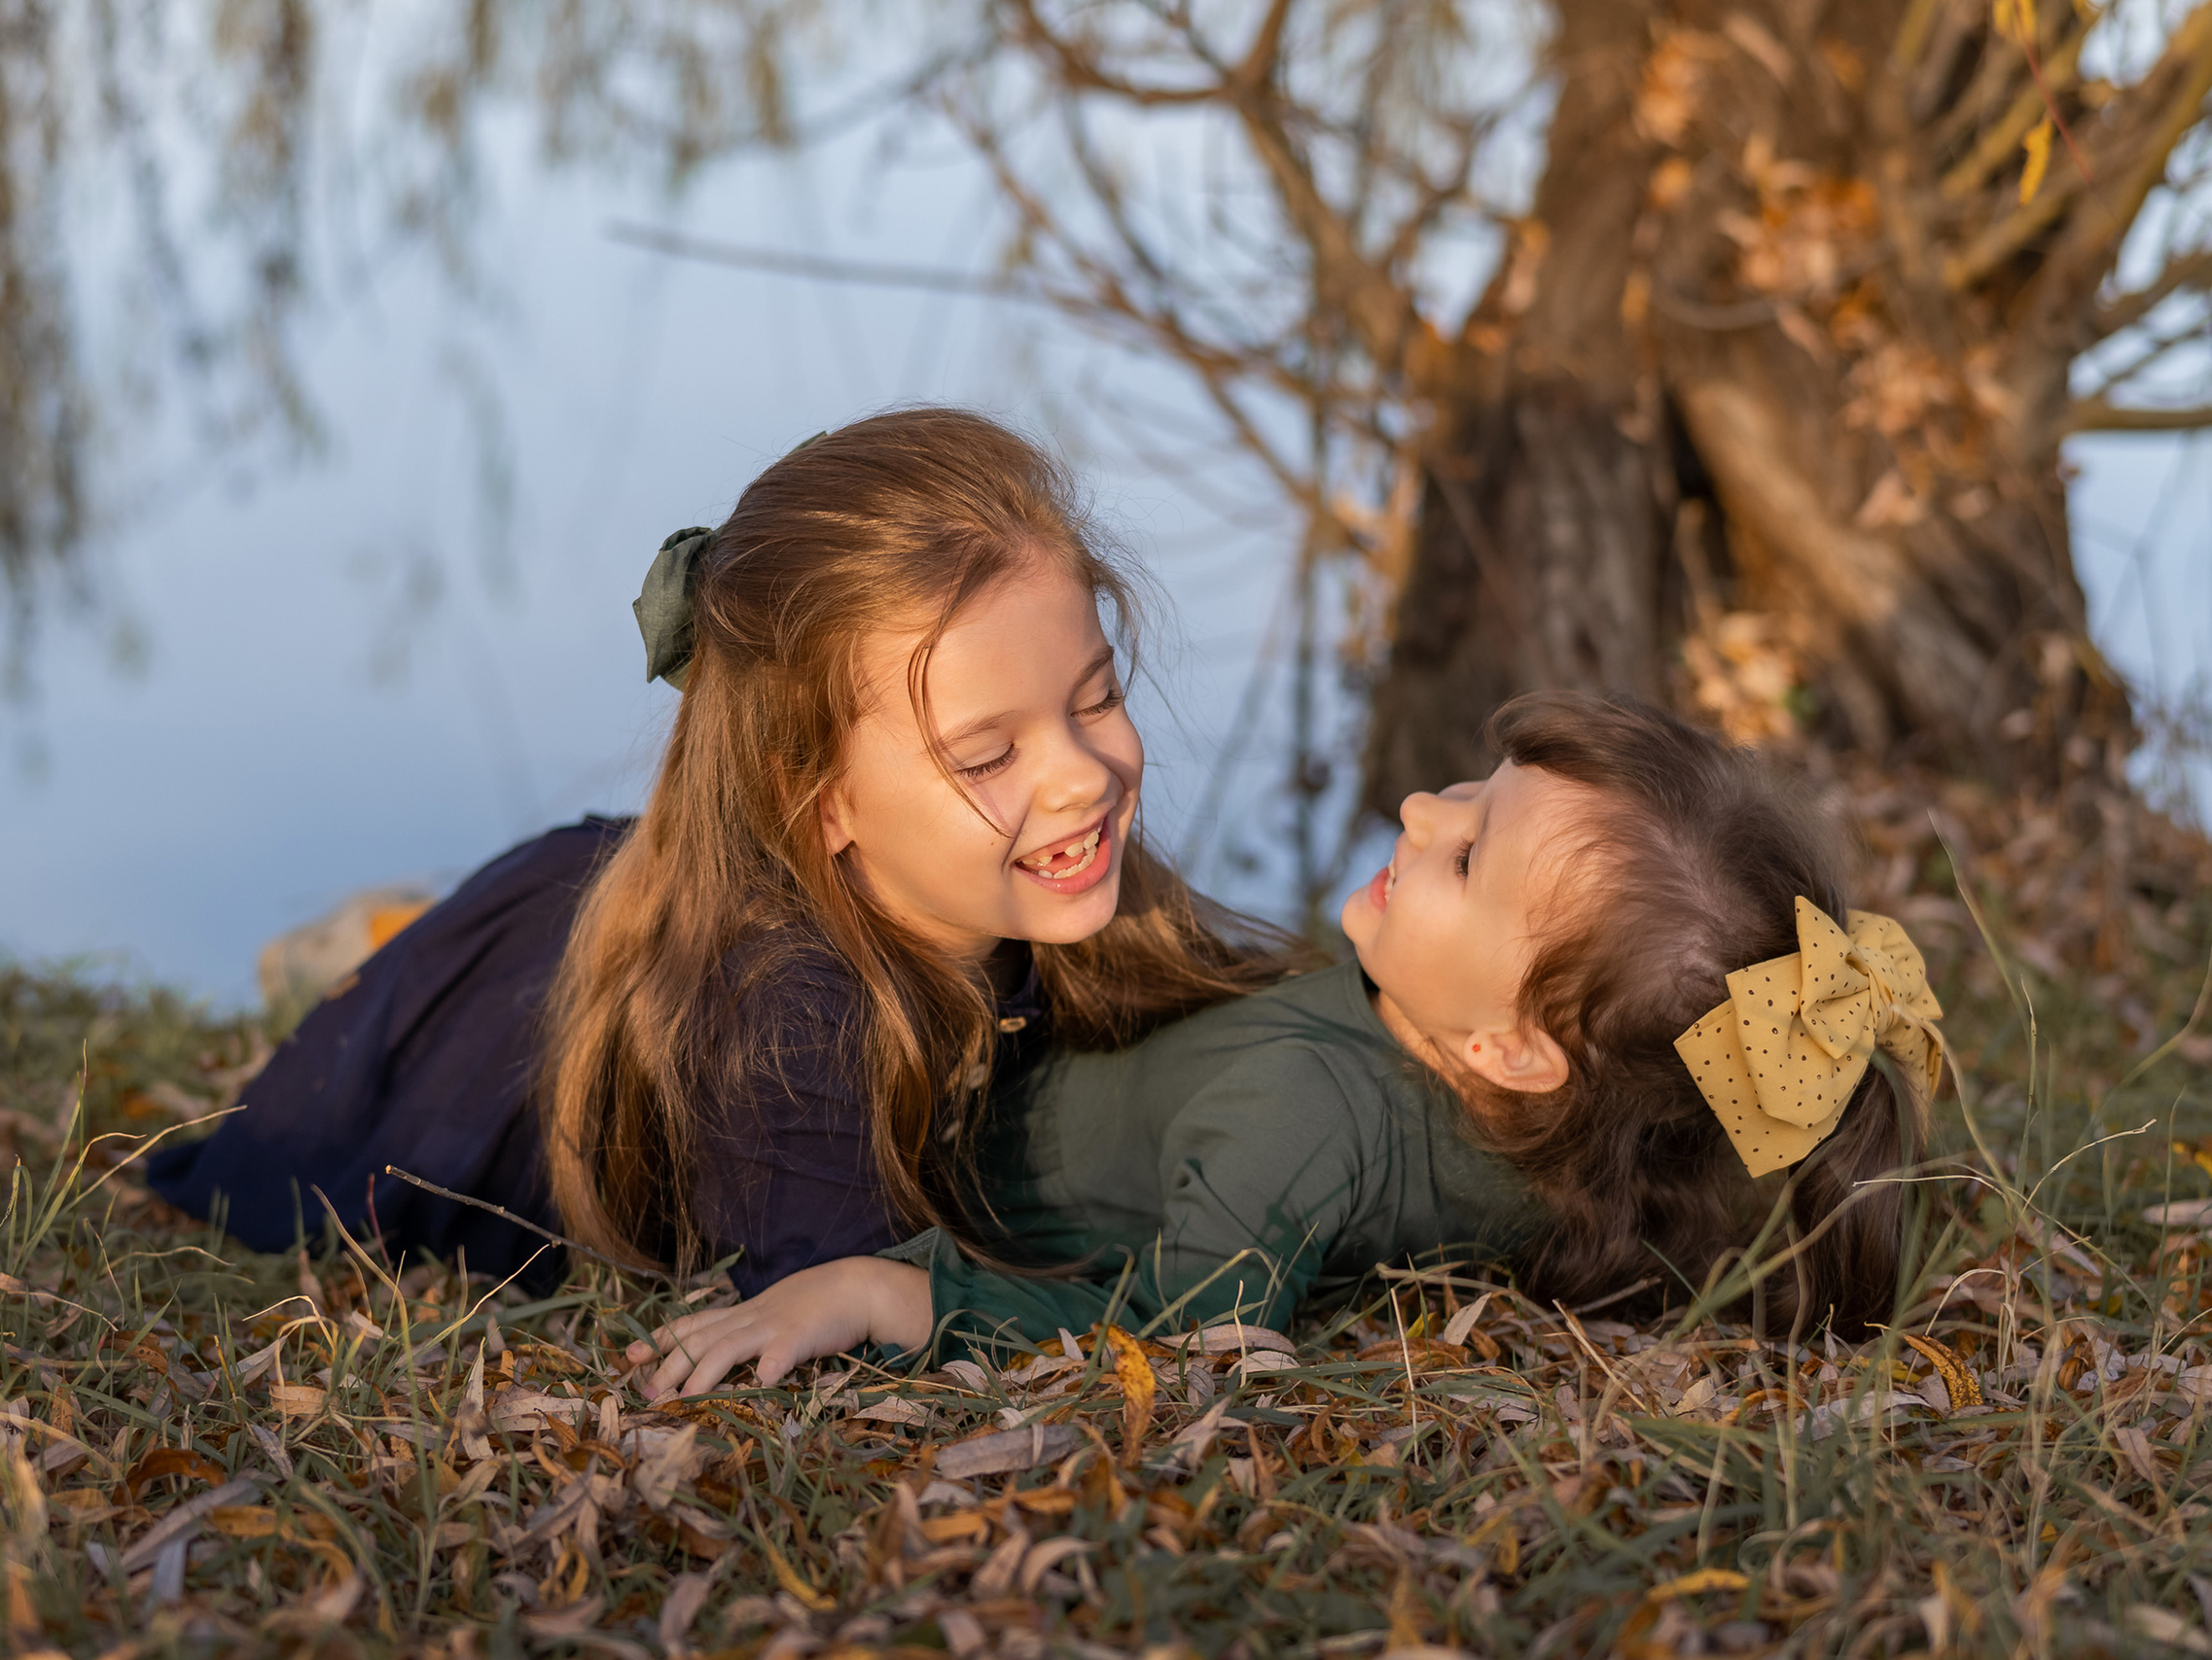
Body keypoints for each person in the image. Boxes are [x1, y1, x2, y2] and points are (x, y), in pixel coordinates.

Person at [149, 408, 1295, 1292]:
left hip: (600, 884)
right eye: (986, 756)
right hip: (476, 1042)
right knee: (428, 1002)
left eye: (1094, 700)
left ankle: (390, 926)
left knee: (568, 907)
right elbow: (838, 1304)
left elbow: (1235, 1002)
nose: (1081, 775)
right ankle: (381, 945)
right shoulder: (788, 1019)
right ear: (821, 802)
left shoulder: (1051, 867)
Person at [632, 691, 1942, 1392]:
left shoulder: (1300, 1117)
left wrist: (874, 1288)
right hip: (1089, 1052)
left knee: (698, 930)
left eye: (1467, 854)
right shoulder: (1580, 1132)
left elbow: (1163, 1333)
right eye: (1471, 795)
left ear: (1513, 1045)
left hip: (944, 1128)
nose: (1421, 806)